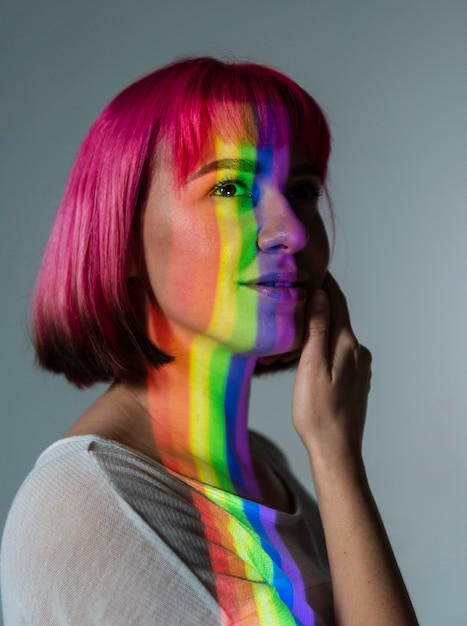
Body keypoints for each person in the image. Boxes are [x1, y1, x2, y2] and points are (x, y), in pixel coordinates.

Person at [0, 57, 418, 625]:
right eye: (230, 187)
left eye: (302, 190)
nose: (291, 232)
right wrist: (336, 460)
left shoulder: (265, 465)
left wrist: (335, 455)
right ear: (121, 235)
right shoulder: (81, 506)